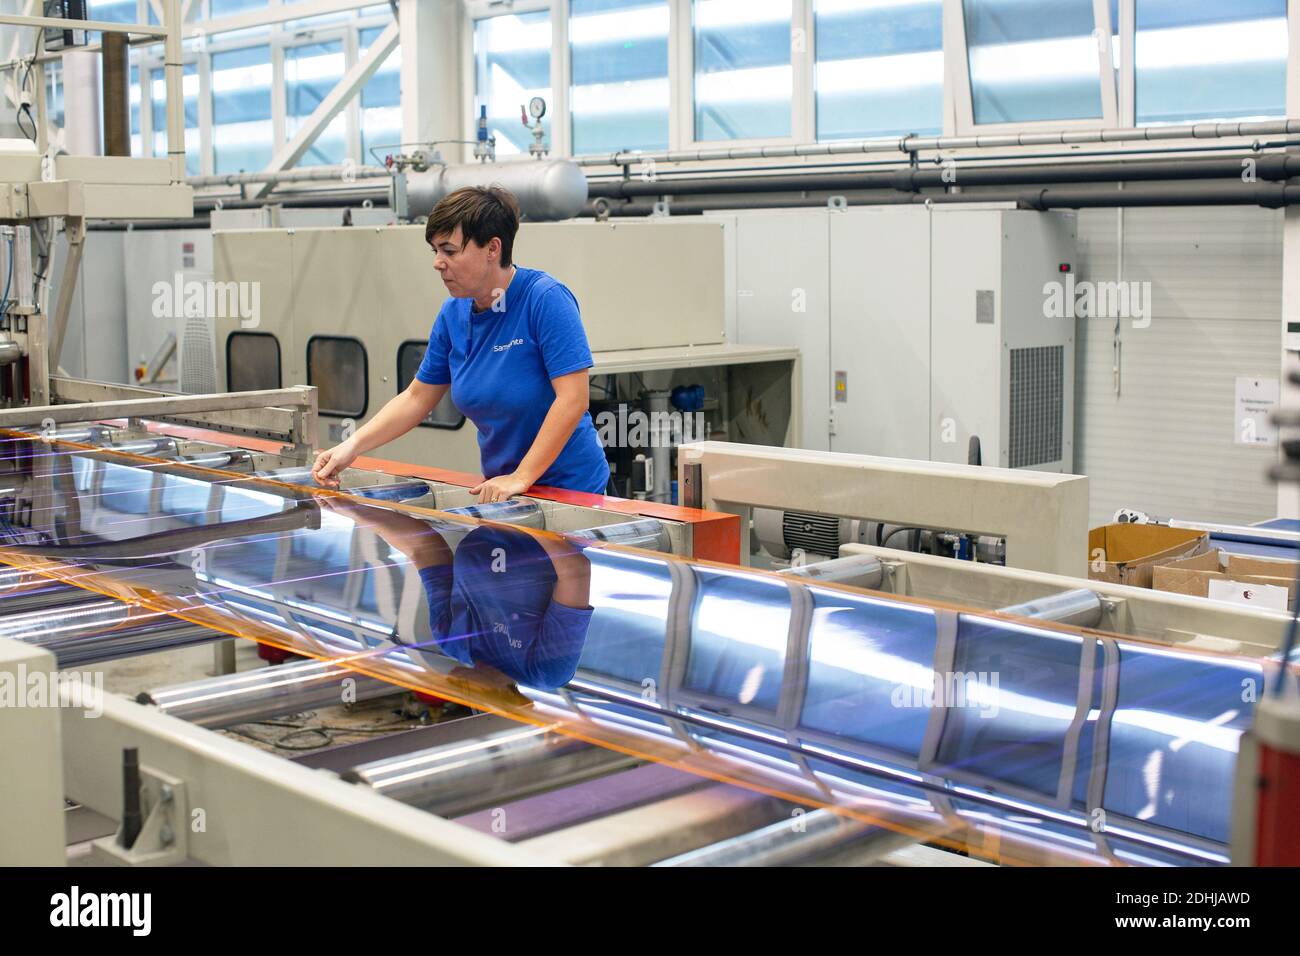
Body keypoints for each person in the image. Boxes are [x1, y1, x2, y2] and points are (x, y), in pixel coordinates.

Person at [311, 185, 611, 502]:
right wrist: (351, 446)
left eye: (449, 251)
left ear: (492, 249)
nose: (438, 263)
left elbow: (573, 399)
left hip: (572, 490)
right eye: (435, 251)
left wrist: (522, 476)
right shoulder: (453, 314)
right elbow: (417, 398)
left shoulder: (544, 299)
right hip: (505, 491)